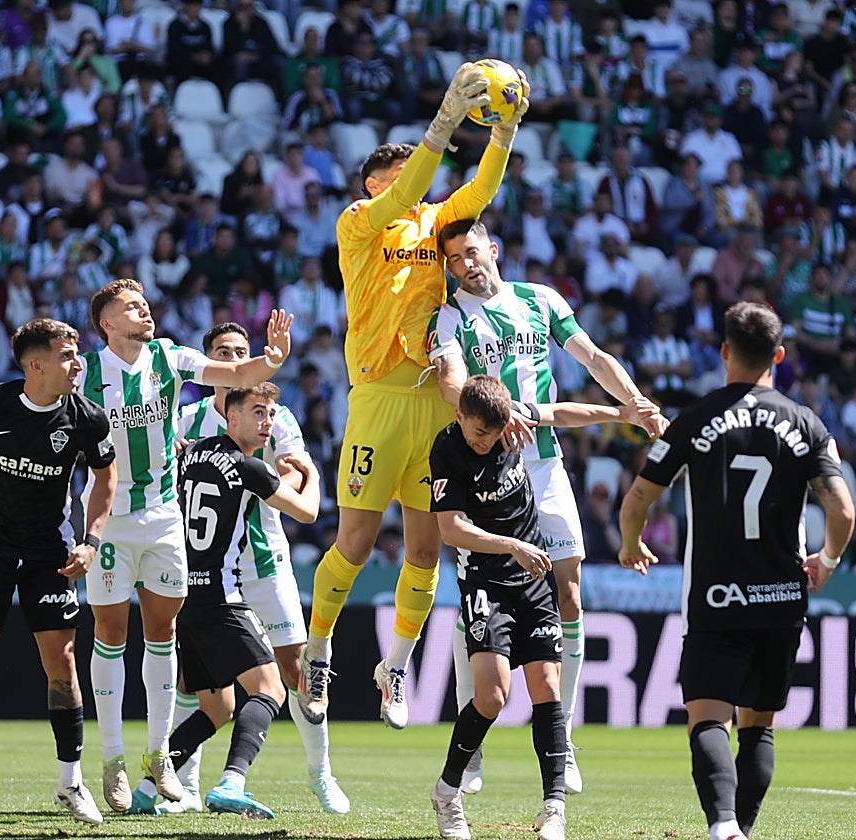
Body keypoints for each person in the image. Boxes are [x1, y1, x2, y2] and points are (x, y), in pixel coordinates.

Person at [297, 61, 530, 733]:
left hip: (433, 400)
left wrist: (504, 130)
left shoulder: (435, 226)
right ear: (372, 185)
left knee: (427, 550)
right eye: (396, 176)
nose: (413, 187)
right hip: (375, 397)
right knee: (357, 541)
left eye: (415, 175)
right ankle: (319, 648)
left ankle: (393, 667)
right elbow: (404, 199)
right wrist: (441, 125)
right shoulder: (359, 224)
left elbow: (481, 187)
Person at [428, 217, 666, 794]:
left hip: (544, 461)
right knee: (479, 594)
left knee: (570, 592)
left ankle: (564, 736)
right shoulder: (449, 317)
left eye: (473, 252)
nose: (467, 264)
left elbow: (592, 357)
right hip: (488, 465)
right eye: (455, 259)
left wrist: (633, 402)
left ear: (495, 250)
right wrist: (492, 415)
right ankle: (474, 742)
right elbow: (451, 381)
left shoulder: (542, 300)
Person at [618, 302, 856, 840]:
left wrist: (632, 544)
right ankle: (740, 828)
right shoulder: (808, 423)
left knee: (707, 719)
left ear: (724, 351)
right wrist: (829, 559)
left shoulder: (694, 419)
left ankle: (724, 827)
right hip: (781, 595)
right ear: (778, 355)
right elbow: (842, 511)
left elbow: (636, 501)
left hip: (717, 595)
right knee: (759, 726)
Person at [76, 279, 292, 813]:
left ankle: (158, 756)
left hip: (164, 518)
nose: (144, 309)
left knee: (164, 629)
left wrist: (272, 357)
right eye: (131, 306)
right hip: (111, 518)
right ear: (106, 322)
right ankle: (112, 761)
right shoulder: (86, 373)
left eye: (145, 302)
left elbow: (238, 376)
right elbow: (45, 420)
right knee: (109, 631)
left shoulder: (168, 357)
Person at [428, 375, 651, 840]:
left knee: (548, 686)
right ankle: (446, 793)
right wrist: (510, 545)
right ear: (458, 416)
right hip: (485, 580)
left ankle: (554, 810)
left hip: (531, 579)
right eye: (477, 433)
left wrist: (620, 413)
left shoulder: (513, 421)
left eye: (491, 433)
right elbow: (450, 528)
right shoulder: (447, 449)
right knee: (492, 696)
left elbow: (566, 413)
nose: (485, 441)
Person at [173, 323, 349, 814]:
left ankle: (321, 775)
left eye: (241, 352)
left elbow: (293, 466)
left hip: (263, 556)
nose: (233, 359)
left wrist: (264, 478)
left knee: (296, 670)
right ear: (209, 364)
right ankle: (184, 784)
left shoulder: (274, 414)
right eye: (222, 352)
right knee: (199, 681)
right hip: (205, 563)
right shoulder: (185, 418)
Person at [0, 318, 118, 830]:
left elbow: (105, 478)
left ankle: (70, 780)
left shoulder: (87, 419)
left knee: (62, 663)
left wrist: (91, 542)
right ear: (35, 365)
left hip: (51, 548)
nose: (78, 363)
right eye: (68, 355)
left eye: (78, 353)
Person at [127, 382, 320, 819]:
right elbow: (307, 511)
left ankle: (143, 789)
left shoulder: (190, 454)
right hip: (220, 595)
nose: (267, 422)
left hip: (180, 593)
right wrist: (311, 474)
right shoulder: (247, 465)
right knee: (271, 688)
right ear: (231, 417)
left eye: (271, 414)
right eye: (257, 413)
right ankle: (232, 782)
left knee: (218, 707)